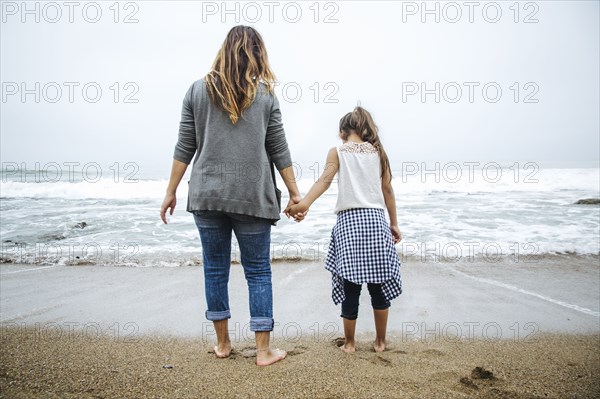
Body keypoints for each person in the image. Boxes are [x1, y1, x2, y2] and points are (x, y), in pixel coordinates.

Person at [160, 26, 302, 366]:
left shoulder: (197, 90)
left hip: (207, 195)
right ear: (256, 54)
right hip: (252, 197)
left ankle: (223, 345)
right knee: (258, 271)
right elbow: (278, 147)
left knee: (214, 270)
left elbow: (185, 146)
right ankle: (264, 351)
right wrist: (295, 193)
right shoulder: (265, 95)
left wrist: (171, 191)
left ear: (224, 50)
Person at [285, 106, 402, 353]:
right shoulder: (378, 152)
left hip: (349, 223)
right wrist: (393, 223)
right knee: (378, 285)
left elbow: (324, 181)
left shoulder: (337, 151)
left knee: (351, 286)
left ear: (342, 132)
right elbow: (388, 189)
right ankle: (380, 342)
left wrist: (303, 204)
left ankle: (349, 344)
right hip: (376, 221)